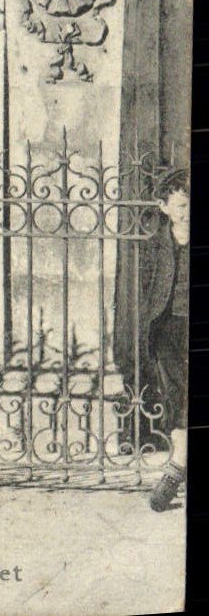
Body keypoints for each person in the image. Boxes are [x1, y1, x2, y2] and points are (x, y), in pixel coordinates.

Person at [142, 169, 189, 511]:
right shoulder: (157, 244)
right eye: (183, 205)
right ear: (165, 207)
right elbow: (149, 290)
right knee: (175, 395)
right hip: (168, 329)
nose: (189, 212)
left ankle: (175, 471)